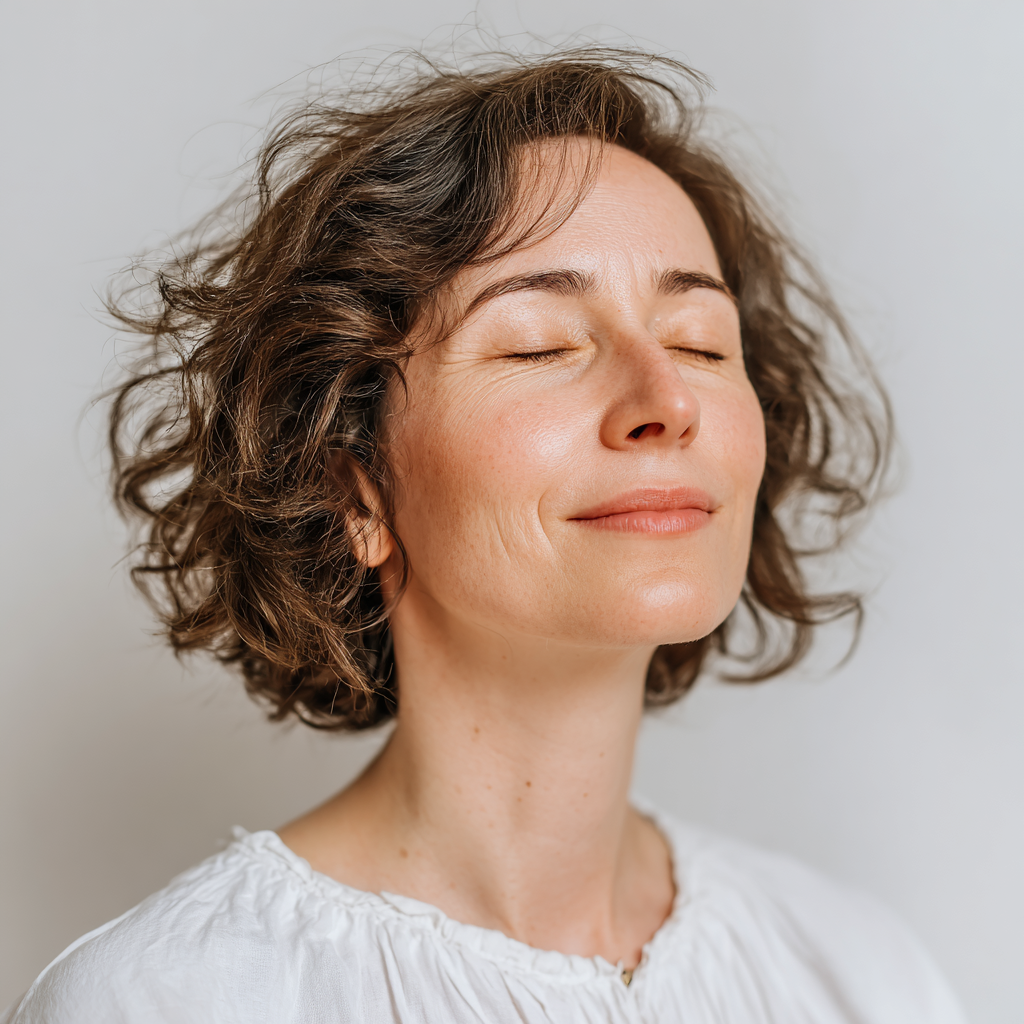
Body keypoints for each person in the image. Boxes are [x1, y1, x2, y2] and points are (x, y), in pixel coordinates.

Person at [3, 47, 966, 1023]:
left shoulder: (863, 975)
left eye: (700, 342)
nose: (667, 400)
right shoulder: (168, 1001)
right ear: (356, 488)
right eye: (540, 344)